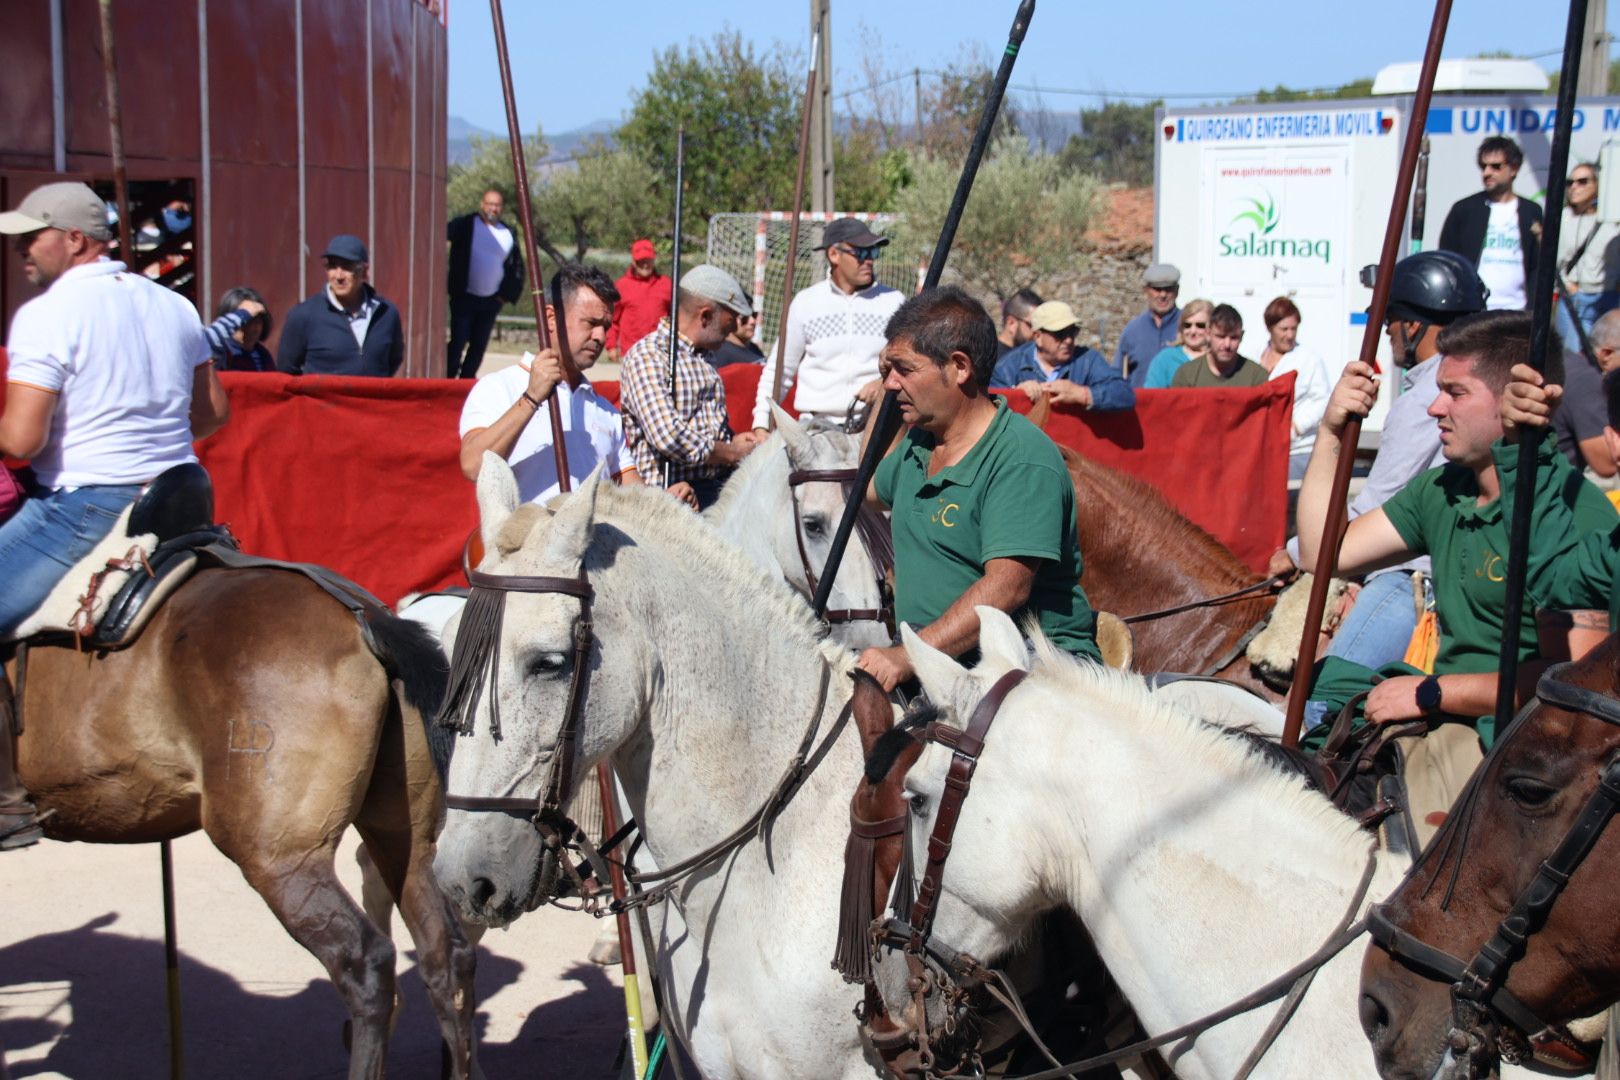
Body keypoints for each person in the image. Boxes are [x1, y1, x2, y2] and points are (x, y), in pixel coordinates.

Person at [0, 182, 230, 846]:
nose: (20, 251)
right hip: (181, 499)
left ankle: (5, 801)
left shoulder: (45, 314)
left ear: (74, 239)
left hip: (86, 508)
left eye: (31, 237)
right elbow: (212, 413)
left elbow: (21, 441)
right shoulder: (175, 305)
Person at [1295, 310, 1615, 748]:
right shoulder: (1445, 489)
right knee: (1318, 698)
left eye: (1455, 393)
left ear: (1516, 400)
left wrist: (1433, 692)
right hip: (1440, 714)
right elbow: (1322, 554)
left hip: (1516, 742)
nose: (1434, 408)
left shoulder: (1575, 513)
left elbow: (1576, 683)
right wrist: (1331, 431)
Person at [855, 286, 1100, 692]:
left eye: (905, 369)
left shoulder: (1020, 457)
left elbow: (1007, 587)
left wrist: (910, 655)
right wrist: (886, 393)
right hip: (939, 656)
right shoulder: (922, 442)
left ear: (959, 367)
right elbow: (870, 489)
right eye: (887, 370)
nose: (892, 382)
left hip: (1033, 666)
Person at [1273, 251, 1491, 679]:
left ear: (1412, 326)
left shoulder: (1426, 398)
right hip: (1449, 558)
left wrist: (1292, 552)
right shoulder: (1476, 381)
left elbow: (1375, 507)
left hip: (1412, 573)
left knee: (1327, 698)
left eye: (1390, 321)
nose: (1389, 333)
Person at [458, 263, 671, 505]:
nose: (601, 336)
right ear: (551, 318)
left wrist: (665, 502)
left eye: (606, 327)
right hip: (525, 540)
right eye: (591, 323)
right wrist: (530, 398)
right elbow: (474, 466)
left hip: (590, 541)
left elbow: (630, 491)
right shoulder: (499, 387)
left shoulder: (606, 412)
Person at [620, 264, 762, 509]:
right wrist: (730, 452)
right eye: (731, 318)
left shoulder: (706, 356)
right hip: (670, 498)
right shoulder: (649, 356)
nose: (733, 327)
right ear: (705, 316)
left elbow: (705, 427)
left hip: (714, 489)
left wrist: (734, 439)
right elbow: (667, 436)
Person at [752, 217, 904, 432]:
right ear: (834, 254)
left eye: (873, 252)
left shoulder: (895, 301)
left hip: (876, 425)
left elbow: (909, 365)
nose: (869, 260)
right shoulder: (805, 302)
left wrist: (883, 383)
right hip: (816, 429)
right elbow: (780, 369)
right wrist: (761, 423)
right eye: (860, 252)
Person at [1438, 136, 1543, 312]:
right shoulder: (1465, 209)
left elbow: (1537, 265)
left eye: (1496, 166)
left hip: (1517, 310)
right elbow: (1448, 259)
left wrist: (1533, 308)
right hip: (1476, 310)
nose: (1487, 173)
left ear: (1514, 169)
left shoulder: (1531, 211)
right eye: (1483, 166)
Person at [277, 235, 405, 377]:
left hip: (371, 399)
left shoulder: (386, 313)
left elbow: (393, 360)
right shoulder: (303, 315)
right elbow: (286, 371)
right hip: (322, 400)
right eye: (332, 266)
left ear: (364, 271)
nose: (338, 276)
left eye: (346, 266)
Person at [988, 301, 1135, 411]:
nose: (1069, 340)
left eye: (1072, 332)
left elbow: (1124, 394)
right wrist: (1016, 395)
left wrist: (1083, 394)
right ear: (1038, 336)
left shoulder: (1088, 360)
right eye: (1060, 334)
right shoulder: (1008, 367)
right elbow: (988, 407)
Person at [446, 188, 525, 379]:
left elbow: (516, 267)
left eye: (497, 205)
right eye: (490, 204)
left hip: (491, 300)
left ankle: (466, 382)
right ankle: (448, 379)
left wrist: (505, 295)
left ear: (502, 208)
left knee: (479, 345)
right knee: (458, 341)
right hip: (464, 296)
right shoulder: (466, 225)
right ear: (482, 205)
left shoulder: (508, 233)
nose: (493, 208)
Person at [1257, 297, 1334, 480]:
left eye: (1294, 329)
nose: (1290, 335)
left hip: (1297, 449)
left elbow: (1322, 400)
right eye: (1284, 329)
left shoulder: (1309, 359)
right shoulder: (1256, 355)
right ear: (1270, 328)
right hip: (1262, 447)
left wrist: (1296, 427)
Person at [1555, 162, 1620, 353]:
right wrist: (1568, 285)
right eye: (1570, 182)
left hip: (1608, 296)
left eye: (1582, 181)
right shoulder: (1562, 218)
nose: (1574, 187)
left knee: (1608, 355)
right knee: (1574, 358)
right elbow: (1553, 260)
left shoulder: (1612, 218)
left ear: (1598, 185)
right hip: (1576, 297)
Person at [1551, 310, 1620, 486]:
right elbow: (1607, 463)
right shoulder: (1587, 383)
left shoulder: (1569, 361)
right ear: (1606, 354)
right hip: (1559, 492)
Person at [1113, 263, 1182, 388]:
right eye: (1157, 289)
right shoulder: (1133, 330)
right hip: (1141, 405)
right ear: (1146, 290)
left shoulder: (1189, 328)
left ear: (1177, 291)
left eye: (1168, 289)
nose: (1163, 295)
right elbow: (1118, 374)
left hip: (1179, 404)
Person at [604, 239, 671, 362]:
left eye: (648, 261)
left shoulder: (666, 284)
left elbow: (676, 318)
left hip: (661, 352)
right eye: (641, 261)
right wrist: (611, 346)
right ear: (634, 262)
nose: (645, 265)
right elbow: (612, 319)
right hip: (632, 353)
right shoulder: (621, 286)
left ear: (654, 260)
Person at [1169, 304, 1267, 387]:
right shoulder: (1187, 375)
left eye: (1234, 338)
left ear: (1241, 336)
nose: (1227, 345)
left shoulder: (1256, 377)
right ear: (1208, 334)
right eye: (1221, 337)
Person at [1142, 298, 1213, 389]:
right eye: (1187, 325)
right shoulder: (1165, 359)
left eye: (1200, 325)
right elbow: (1151, 396)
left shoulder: (1220, 360)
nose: (1193, 331)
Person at [203, 286, 274, 372]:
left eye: (257, 321)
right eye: (245, 321)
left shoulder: (263, 355)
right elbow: (205, 342)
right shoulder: (221, 354)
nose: (252, 328)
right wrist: (243, 314)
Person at [996, 288, 1042, 358]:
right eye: (1033, 325)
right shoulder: (991, 360)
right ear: (1011, 323)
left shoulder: (1033, 356)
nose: (1038, 333)